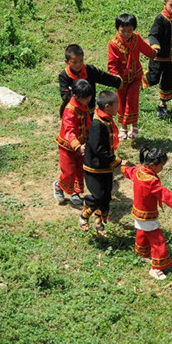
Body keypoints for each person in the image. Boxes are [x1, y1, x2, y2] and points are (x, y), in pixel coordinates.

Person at [122, 147, 172, 280]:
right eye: (161, 166)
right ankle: (156, 268)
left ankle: (142, 253)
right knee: (158, 241)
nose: (162, 169)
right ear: (153, 165)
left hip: (137, 211)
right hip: (147, 215)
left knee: (142, 231)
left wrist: (124, 166)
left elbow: (129, 171)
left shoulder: (138, 171)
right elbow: (166, 195)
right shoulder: (151, 181)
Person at [107, 13, 157, 140]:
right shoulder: (113, 44)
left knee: (132, 100)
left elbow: (147, 50)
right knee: (121, 102)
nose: (126, 34)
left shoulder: (136, 39)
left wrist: (154, 53)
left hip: (135, 76)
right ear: (117, 29)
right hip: (121, 80)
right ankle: (123, 127)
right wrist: (115, 76)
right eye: (123, 31)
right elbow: (112, 64)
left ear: (134, 29)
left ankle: (134, 125)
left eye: (130, 30)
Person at [80, 90, 122, 236]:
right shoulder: (97, 124)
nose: (118, 107)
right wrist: (115, 161)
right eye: (116, 105)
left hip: (105, 166)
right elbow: (98, 149)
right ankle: (84, 216)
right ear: (107, 107)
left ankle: (98, 222)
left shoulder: (106, 119)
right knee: (98, 196)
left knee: (106, 196)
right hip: (94, 167)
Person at [53, 79, 93, 209]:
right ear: (76, 96)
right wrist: (77, 146)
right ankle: (58, 186)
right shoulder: (69, 110)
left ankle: (76, 193)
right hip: (68, 147)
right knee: (69, 172)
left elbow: (88, 123)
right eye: (86, 98)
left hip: (81, 145)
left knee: (80, 171)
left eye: (89, 97)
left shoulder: (83, 106)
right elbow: (68, 131)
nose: (88, 100)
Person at [58, 44, 122, 111]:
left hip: (89, 108)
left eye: (81, 61)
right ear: (66, 61)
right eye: (74, 62)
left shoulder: (89, 70)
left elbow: (103, 77)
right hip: (74, 110)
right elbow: (65, 95)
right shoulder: (64, 76)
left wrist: (118, 82)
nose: (78, 65)